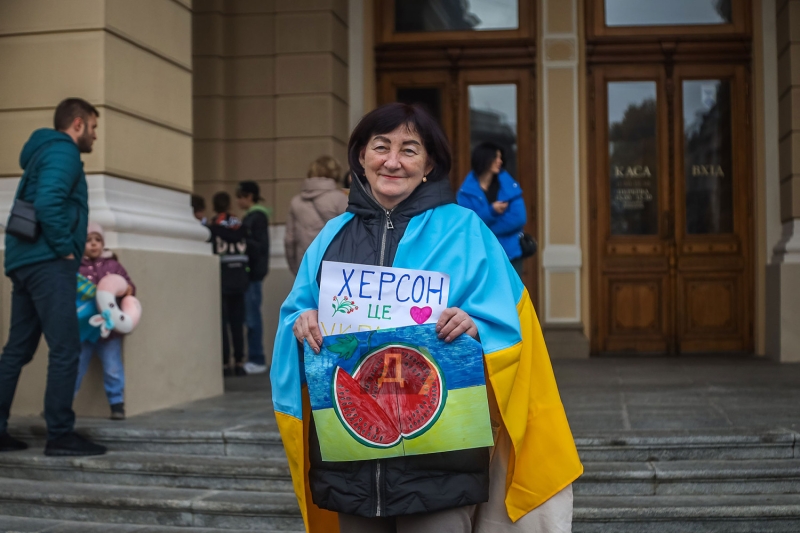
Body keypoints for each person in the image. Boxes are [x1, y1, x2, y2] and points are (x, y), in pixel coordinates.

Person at [271, 103, 582, 533]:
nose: (393, 161)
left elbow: (512, 327)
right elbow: (295, 315)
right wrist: (302, 321)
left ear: (429, 162)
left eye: (410, 149)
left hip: (441, 466)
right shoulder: (331, 236)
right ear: (361, 156)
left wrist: (476, 325)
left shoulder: (467, 230)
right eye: (381, 147)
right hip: (351, 465)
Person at [0, 98, 107, 456]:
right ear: (77, 124)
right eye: (93, 127)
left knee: (17, 350)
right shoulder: (62, 152)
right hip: (48, 261)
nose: (94, 135)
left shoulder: (41, 151)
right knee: (65, 348)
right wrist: (64, 248)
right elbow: (49, 202)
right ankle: (60, 435)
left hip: (25, 261)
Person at [73, 222, 135, 420]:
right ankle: (62, 404)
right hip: (84, 329)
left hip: (109, 331)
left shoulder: (113, 265)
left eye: (97, 240)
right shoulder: (76, 267)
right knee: (75, 369)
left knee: (113, 367)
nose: (93, 244)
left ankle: (117, 404)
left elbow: (128, 285)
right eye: (88, 240)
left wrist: (126, 290)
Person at [457, 142, 527, 277]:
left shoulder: (508, 186)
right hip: (480, 256)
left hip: (510, 254)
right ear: (485, 159)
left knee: (513, 297)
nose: (500, 161)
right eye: (496, 157)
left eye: (500, 158)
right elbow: (466, 222)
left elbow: (519, 218)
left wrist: (484, 229)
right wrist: (492, 211)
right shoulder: (466, 191)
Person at [284, 155, 348, 275]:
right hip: (335, 266)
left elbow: (289, 239)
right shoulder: (340, 199)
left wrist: (296, 269)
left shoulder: (296, 201)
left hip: (305, 265)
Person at [208, 192, 248, 377]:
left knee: (223, 322)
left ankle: (224, 363)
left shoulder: (214, 225)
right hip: (240, 277)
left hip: (223, 277)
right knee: (238, 322)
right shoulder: (238, 223)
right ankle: (239, 362)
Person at [235, 181, 270, 375]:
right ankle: (255, 357)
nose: (238, 200)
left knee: (252, 317)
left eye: (240, 196)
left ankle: (257, 358)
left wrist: (242, 239)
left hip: (252, 274)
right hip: (251, 274)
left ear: (248, 196)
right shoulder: (253, 216)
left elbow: (259, 247)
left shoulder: (256, 217)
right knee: (250, 316)